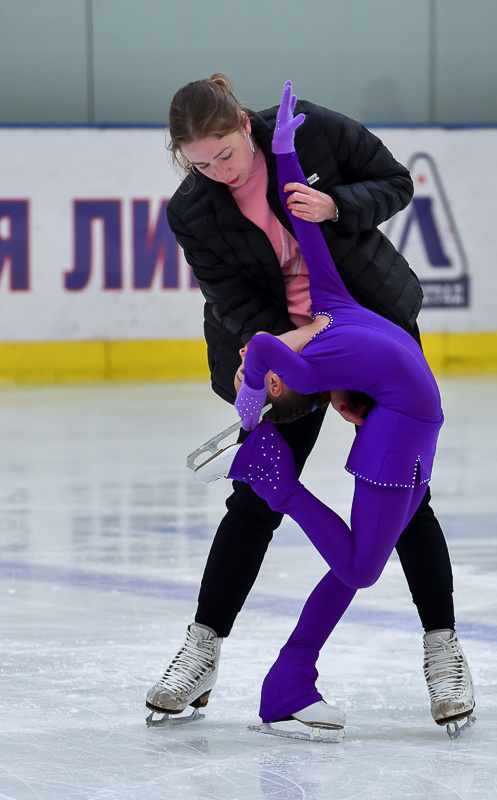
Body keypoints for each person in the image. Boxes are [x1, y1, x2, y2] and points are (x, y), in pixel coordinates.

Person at [145, 73, 474, 730]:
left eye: (226, 156)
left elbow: (396, 184)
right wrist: (303, 370)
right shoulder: (191, 212)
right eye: (200, 165)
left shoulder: (309, 132)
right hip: (285, 354)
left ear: (243, 123)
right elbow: (236, 303)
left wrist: (335, 208)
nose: (217, 173)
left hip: (366, 325)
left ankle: (443, 648)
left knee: (406, 498)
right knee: (256, 498)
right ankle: (203, 649)